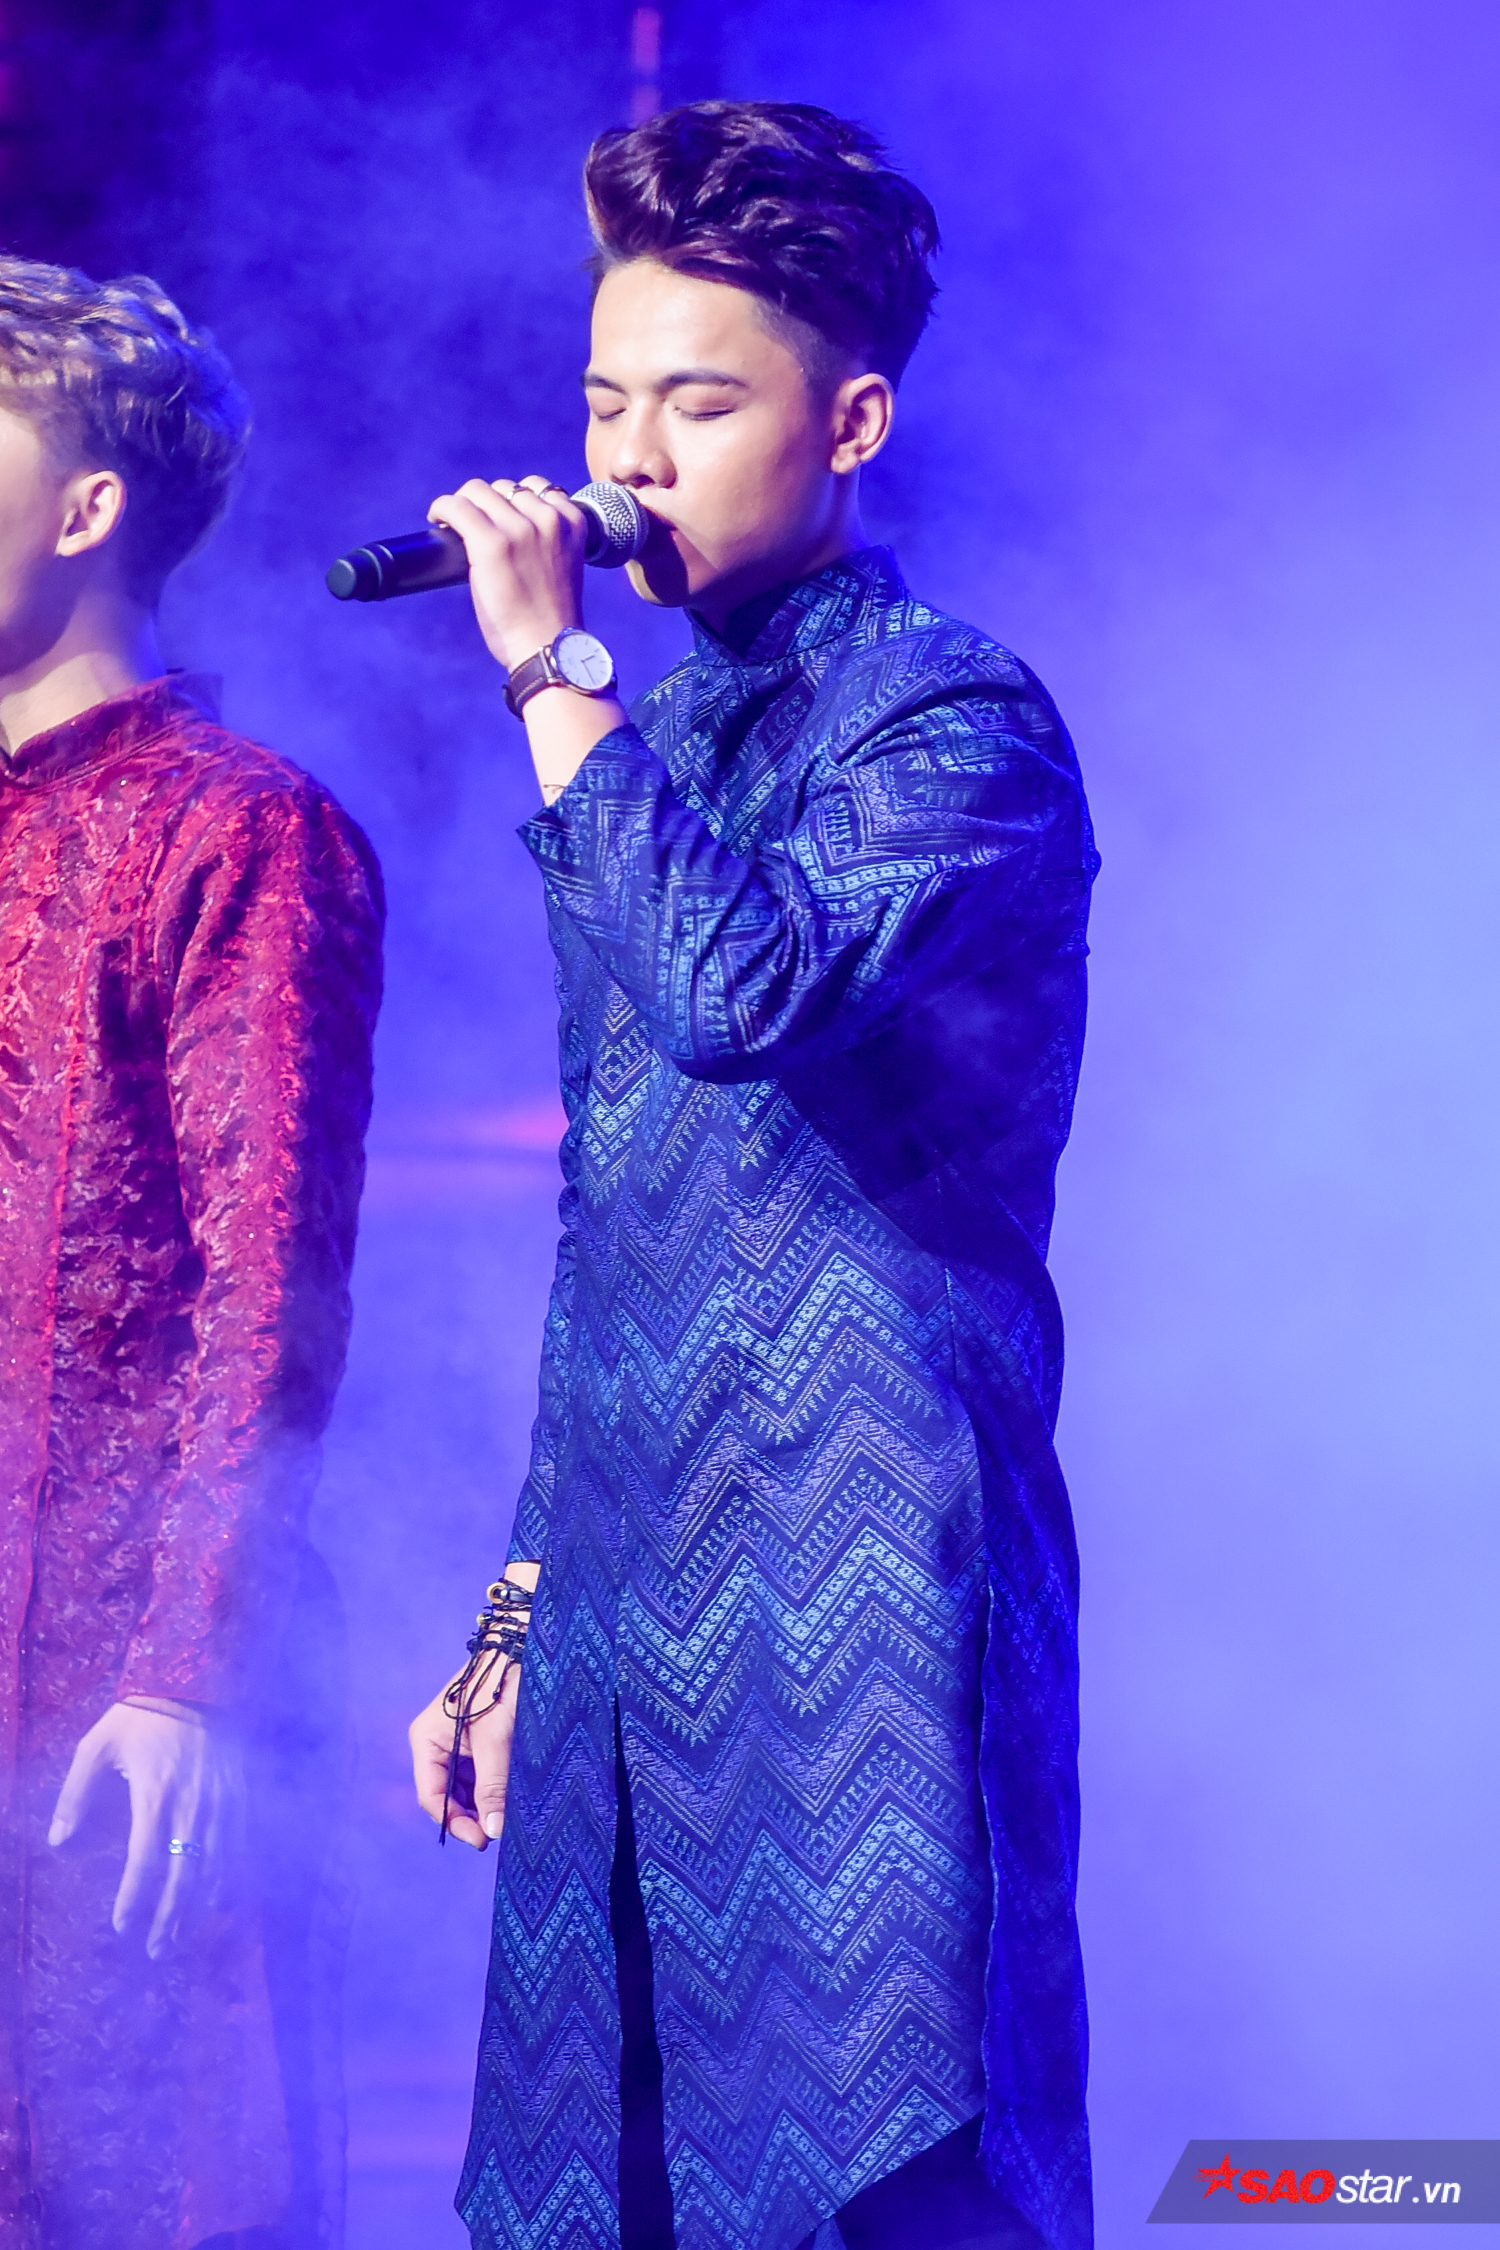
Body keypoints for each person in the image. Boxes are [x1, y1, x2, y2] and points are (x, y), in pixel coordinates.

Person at [409, 101, 1098, 2250]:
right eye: (604, 402)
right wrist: (516, 1614)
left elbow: (741, 988)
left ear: (851, 421)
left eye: (698, 405)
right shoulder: (660, 735)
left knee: (879, 2178)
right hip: (626, 1607)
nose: (629, 459)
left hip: (861, 1593)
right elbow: (613, 1215)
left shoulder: (955, 720)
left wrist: (552, 671)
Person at [0, 257, 384, 2250]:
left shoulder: (238, 830)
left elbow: (270, 1284)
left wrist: (187, 1672)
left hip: (112, 1687)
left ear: (87, 504)